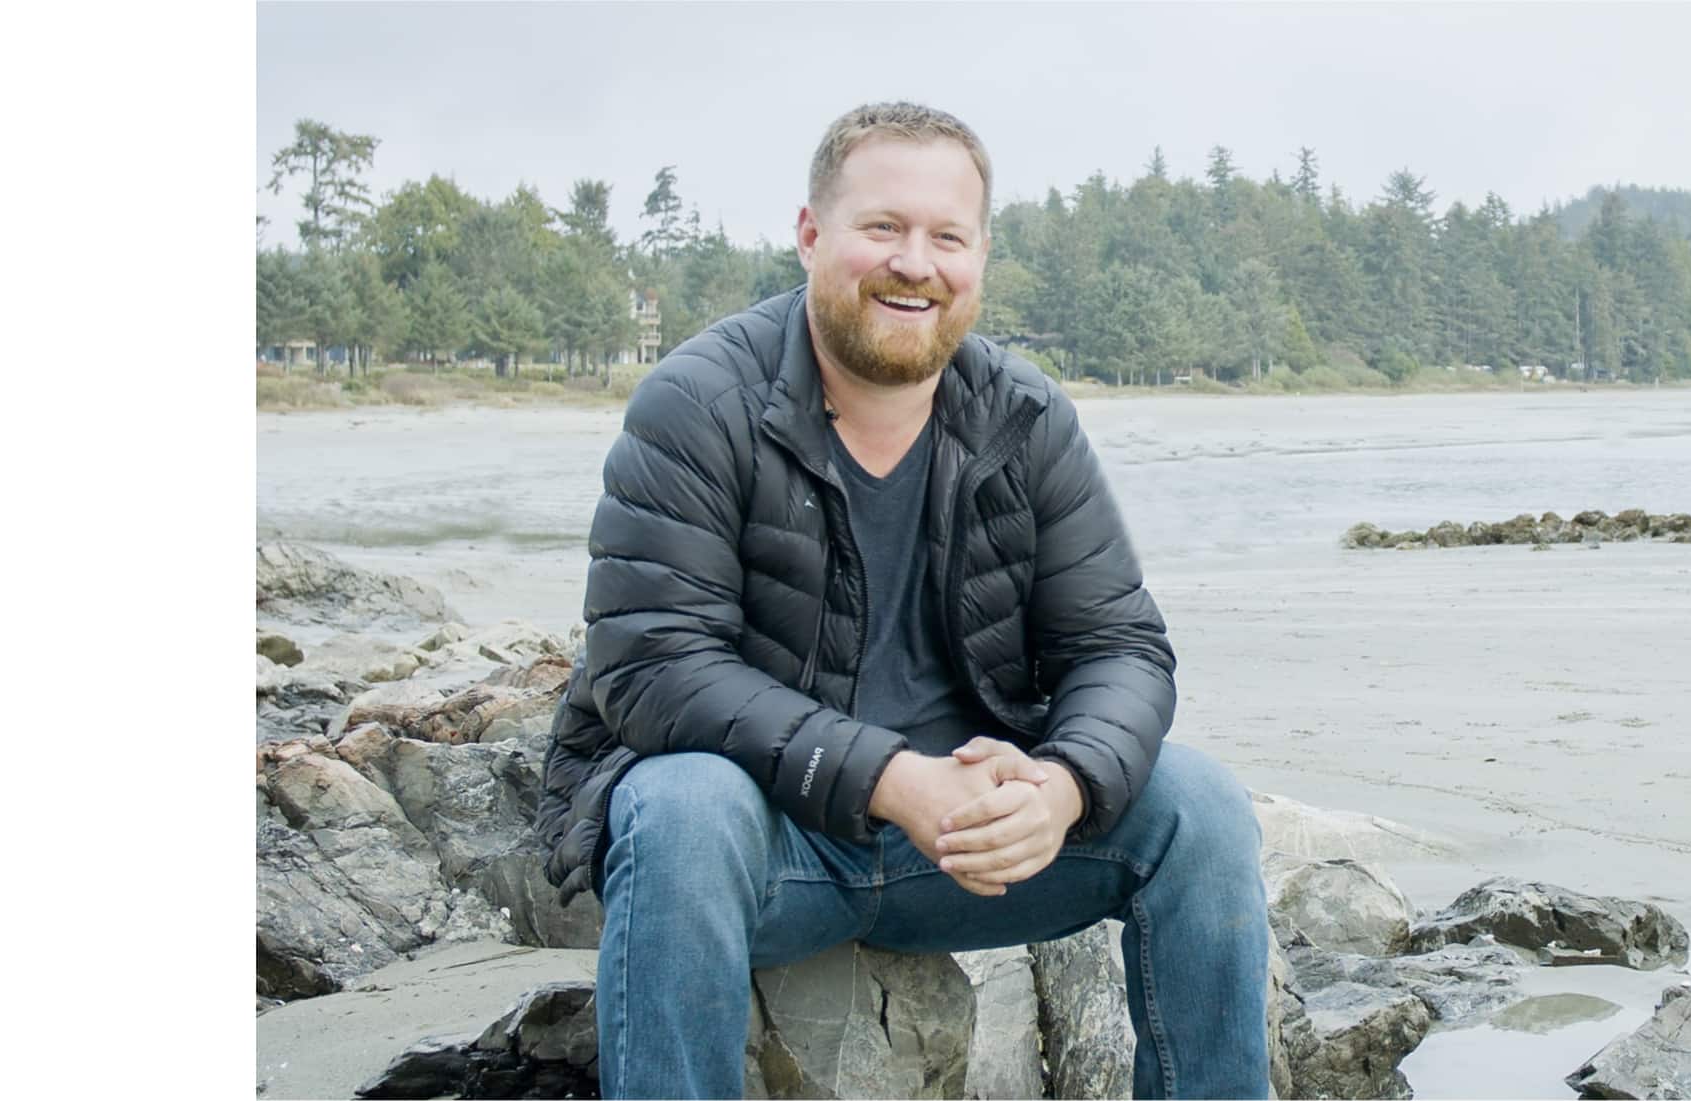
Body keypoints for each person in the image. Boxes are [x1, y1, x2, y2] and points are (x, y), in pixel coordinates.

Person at [532, 102, 1270, 1100]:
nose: (913, 263)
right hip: (768, 848)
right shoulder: (697, 404)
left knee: (1199, 808)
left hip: (963, 858)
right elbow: (652, 668)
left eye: (945, 237)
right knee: (679, 803)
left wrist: (1062, 786)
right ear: (810, 236)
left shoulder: (1025, 417)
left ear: (979, 256)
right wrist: (892, 779)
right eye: (881, 228)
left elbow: (1120, 648)